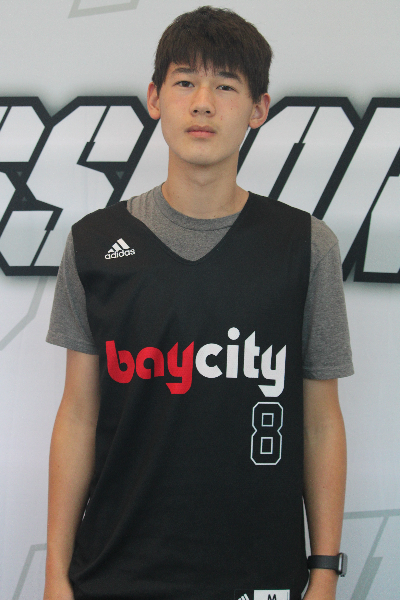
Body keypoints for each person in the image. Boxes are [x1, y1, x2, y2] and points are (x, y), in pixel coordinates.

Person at [44, 6, 353, 600]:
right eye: (185, 81)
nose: (203, 103)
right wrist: (56, 575)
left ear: (259, 108)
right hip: (113, 572)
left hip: (260, 575)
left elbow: (320, 421)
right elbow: (78, 414)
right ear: (155, 98)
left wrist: (323, 572)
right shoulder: (93, 242)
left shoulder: (306, 245)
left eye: (226, 86)